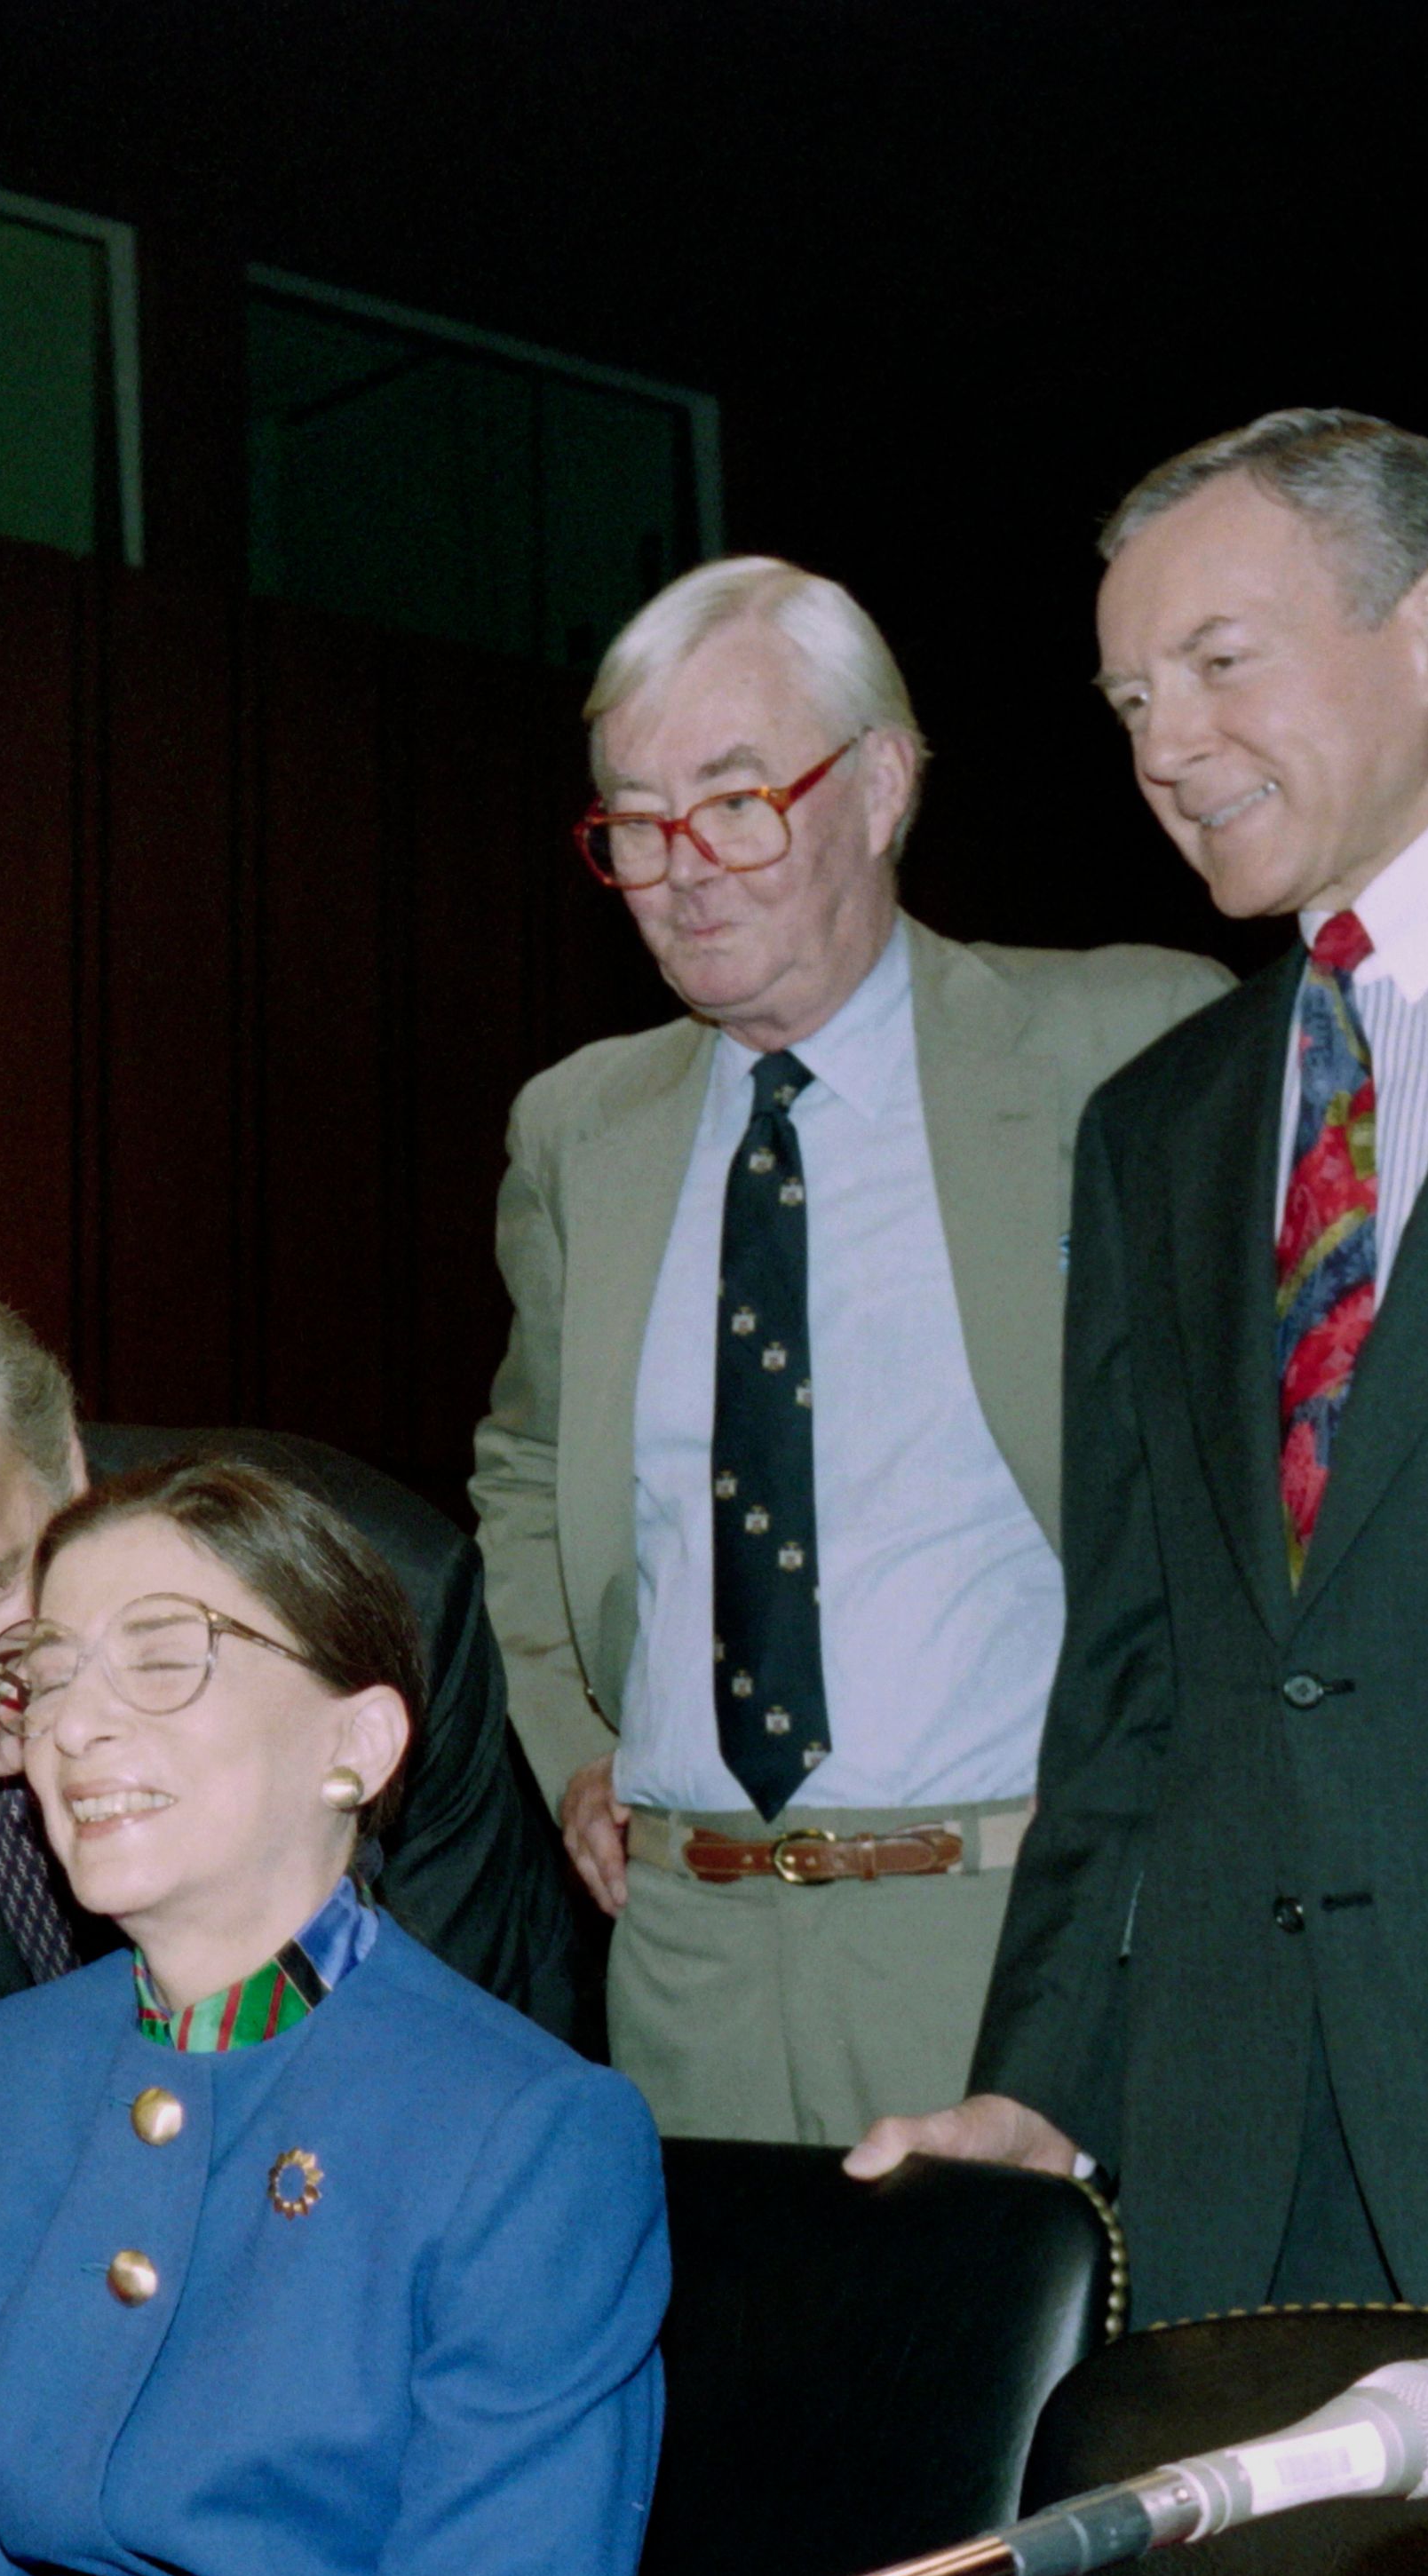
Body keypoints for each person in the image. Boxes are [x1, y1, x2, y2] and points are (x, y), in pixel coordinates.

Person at [847, 416, 1428, 2323]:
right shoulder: (1168, 1123)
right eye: (1130, 695)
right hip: (1233, 2131)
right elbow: (1138, 1664)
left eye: (1223, 662)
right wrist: (1044, 2084)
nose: (1163, 747)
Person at [473, 557, 1226, 2146]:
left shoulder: (1130, 1052)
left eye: (736, 799)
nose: (680, 867)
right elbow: (528, 1459)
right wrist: (572, 1748)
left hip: (1017, 1932)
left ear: (880, 786)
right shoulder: (578, 1130)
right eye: (632, 819)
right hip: (682, 1956)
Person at [0, 1454, 665, 2576]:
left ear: (357, 1744)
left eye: (164, 1656)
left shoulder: (526, 2142)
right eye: (49, 1671)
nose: (69, 1725)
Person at [0, 1254, 576, 2558]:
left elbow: (424, 2095)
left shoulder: (359, 1600)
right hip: (0, 2326)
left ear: (74, 1473)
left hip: (366, 2301)